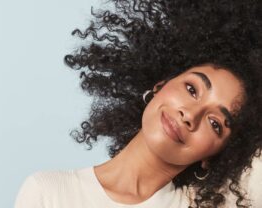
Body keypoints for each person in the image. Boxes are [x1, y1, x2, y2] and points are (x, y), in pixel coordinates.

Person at [14, 0, 262, 207]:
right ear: (160, 85)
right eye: (191, 89)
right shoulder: (49, 193)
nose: (190, 115)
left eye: (215, 123)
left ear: (219, 154)